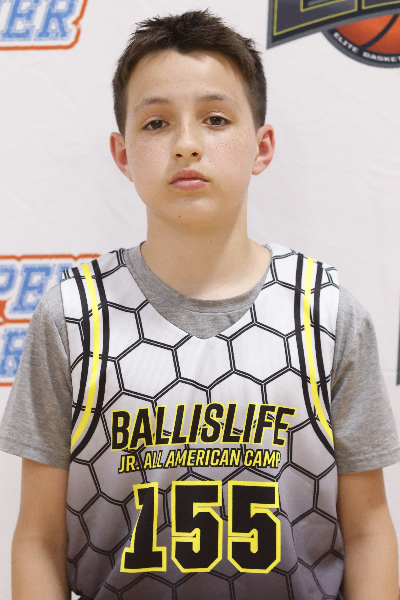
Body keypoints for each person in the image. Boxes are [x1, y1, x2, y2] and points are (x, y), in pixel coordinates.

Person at [0, 9, 399, 600]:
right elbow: (37, 538)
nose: (187, 144)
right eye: (157, 123)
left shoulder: (328, 312)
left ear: (261, 146)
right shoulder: (72, 317)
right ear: (123, 154)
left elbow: (368, 530)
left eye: (215, 119)